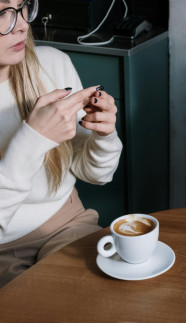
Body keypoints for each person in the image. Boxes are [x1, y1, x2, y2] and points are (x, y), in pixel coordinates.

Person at [0, 0, 123, 287]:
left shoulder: (52, 63)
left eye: (22, 7)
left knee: (107, 296)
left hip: (68, 222)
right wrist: (32, 139)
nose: (20, 25)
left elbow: (98, 174)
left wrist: (103, 136)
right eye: (3, 11)